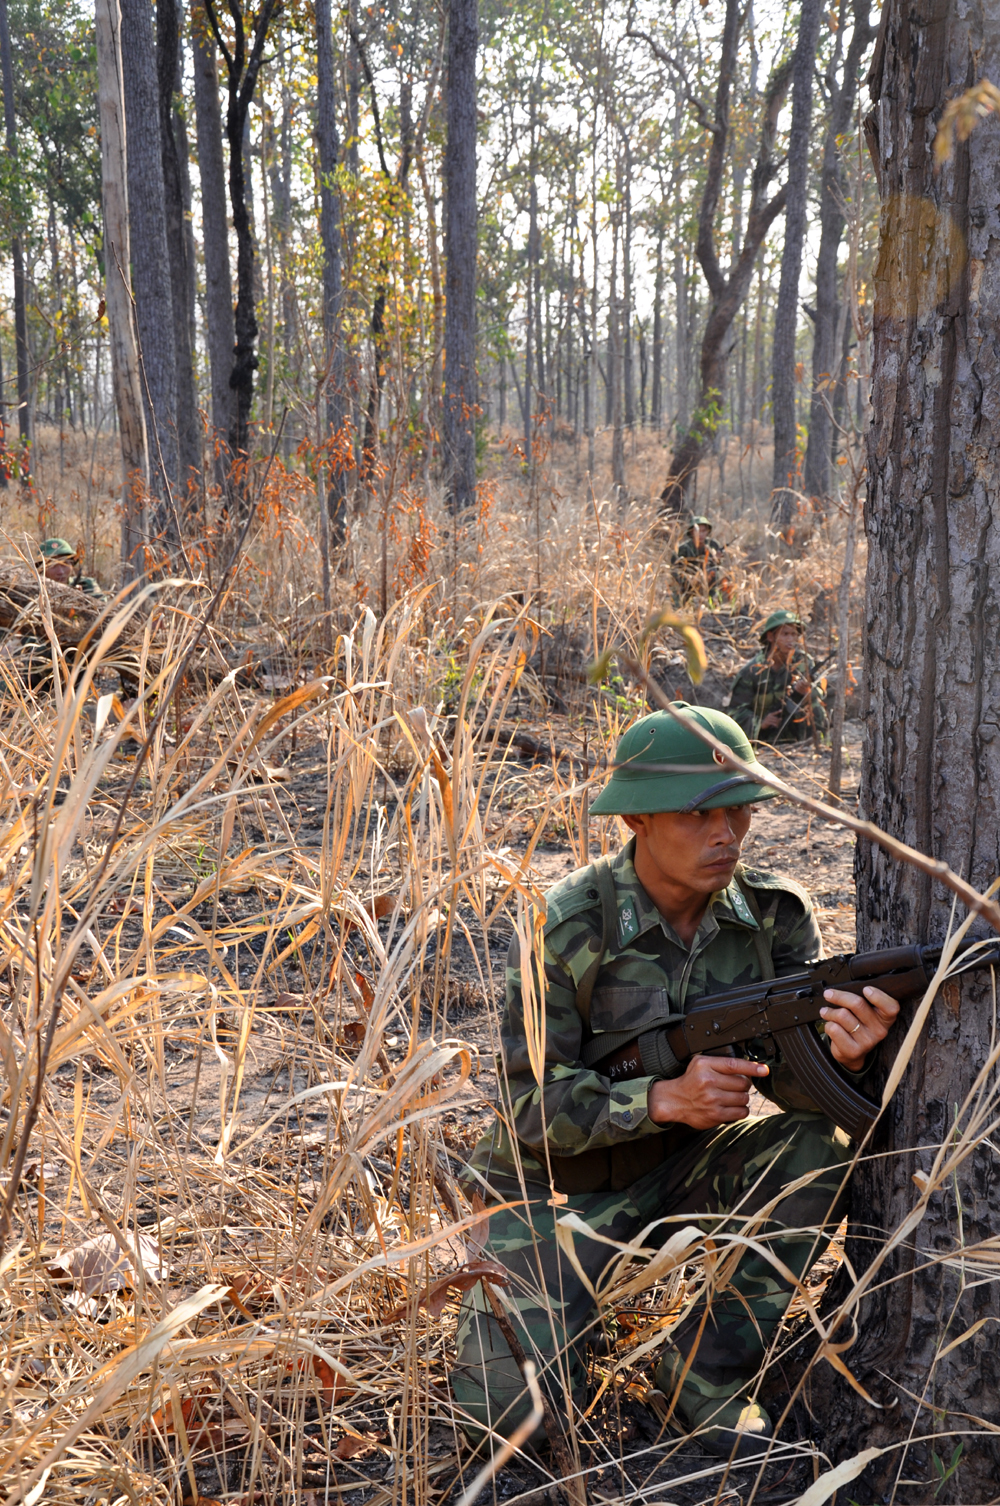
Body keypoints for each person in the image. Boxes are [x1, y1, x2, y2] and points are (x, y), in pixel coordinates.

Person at [453, 705, 898, 1456]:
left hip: (687, 1176)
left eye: (738, 810)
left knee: (818, 1141)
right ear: (638, 822)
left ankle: (704, 1372)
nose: (725, 833)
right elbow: (527, 1106)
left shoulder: (774, 915)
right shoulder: (568, 929)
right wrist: (662, 1099)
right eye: (699, 815)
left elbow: (793, 1085)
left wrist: (842, 1059)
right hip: (554, 1195)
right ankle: (565, 1326)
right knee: (504, 1424)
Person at [728, 610, 827, 743]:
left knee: (814, 705)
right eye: (785, 634)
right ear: (770, 637)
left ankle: (816, 743)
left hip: (795, 728)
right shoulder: (751, 671)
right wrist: (760, 723)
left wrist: (805, 692)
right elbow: (735, 712)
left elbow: (819, 694)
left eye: (794, 634)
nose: (791, 640)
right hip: (763, 736)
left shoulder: (802, 662)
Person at [34, 538, 108, 599]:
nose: (60, 572)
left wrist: (81, 599)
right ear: (41, 569)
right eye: (52, 565)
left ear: (72, 565)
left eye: (65, 563)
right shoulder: (34, 590)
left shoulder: (87, 585)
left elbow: (103, 609)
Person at [672, 515, 726, 598]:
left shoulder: (713, 544)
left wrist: (717, 560)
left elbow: (717, 566)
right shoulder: (683, 548)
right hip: (688, 583)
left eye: (703, 531)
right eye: (697, 531)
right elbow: (675, 569)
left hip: (708, 582)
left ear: (707, 531)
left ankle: (712, 598)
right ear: (691, 532)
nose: (700, 534)